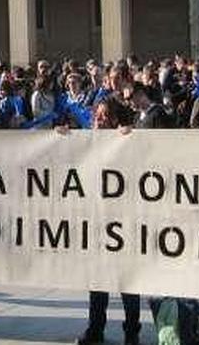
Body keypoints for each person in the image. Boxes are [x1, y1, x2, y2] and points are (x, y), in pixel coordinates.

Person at [78, 95, 140, 345]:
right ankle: (95, 328)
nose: (100, 120)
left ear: (115, 119)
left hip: (124, 219)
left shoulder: (127, 141)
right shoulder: (86, 141)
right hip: (97, 219)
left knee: (128, 281)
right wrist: (60, 137)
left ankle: (132, 331)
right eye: (97, 116)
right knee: (98, 279)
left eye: (105, 116)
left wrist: (131, 135)